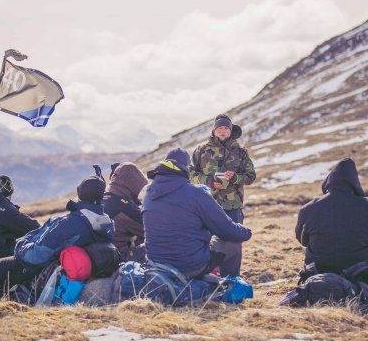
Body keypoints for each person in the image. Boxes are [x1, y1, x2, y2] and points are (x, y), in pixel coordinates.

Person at [143, 148, 252, 278]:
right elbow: (227, 229)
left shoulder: (148, 193)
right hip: (189, 266)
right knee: (232, 243)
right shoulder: (196, 194)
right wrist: (246, 232)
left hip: (156, 265)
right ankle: (229, 288)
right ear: (186, 167)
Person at [295, 158, 368, 275]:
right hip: (361, 274)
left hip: (318, 273)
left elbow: (302, 240)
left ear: (329, 181)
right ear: (355, 183)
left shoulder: (308, 208)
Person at [189, 114, 256, 276]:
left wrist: (236, 178)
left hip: (232, 206)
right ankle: (207, 276)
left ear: (231, 131)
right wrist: (209, 181)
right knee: (205, 241)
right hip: (207, 203)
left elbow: (251, 176)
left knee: (233, 242)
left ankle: (232, 278)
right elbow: (190, 174)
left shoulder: (241, 152)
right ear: (214, 131)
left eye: (226, 128)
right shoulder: (201, 150)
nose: (223, 131)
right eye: (219, 128)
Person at [102, 162, 149, 261]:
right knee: (159, 243)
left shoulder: (105, 197)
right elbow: (152, 228)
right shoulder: (124, 207)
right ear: (133, 184)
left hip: (101, 257)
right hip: (118, 259)